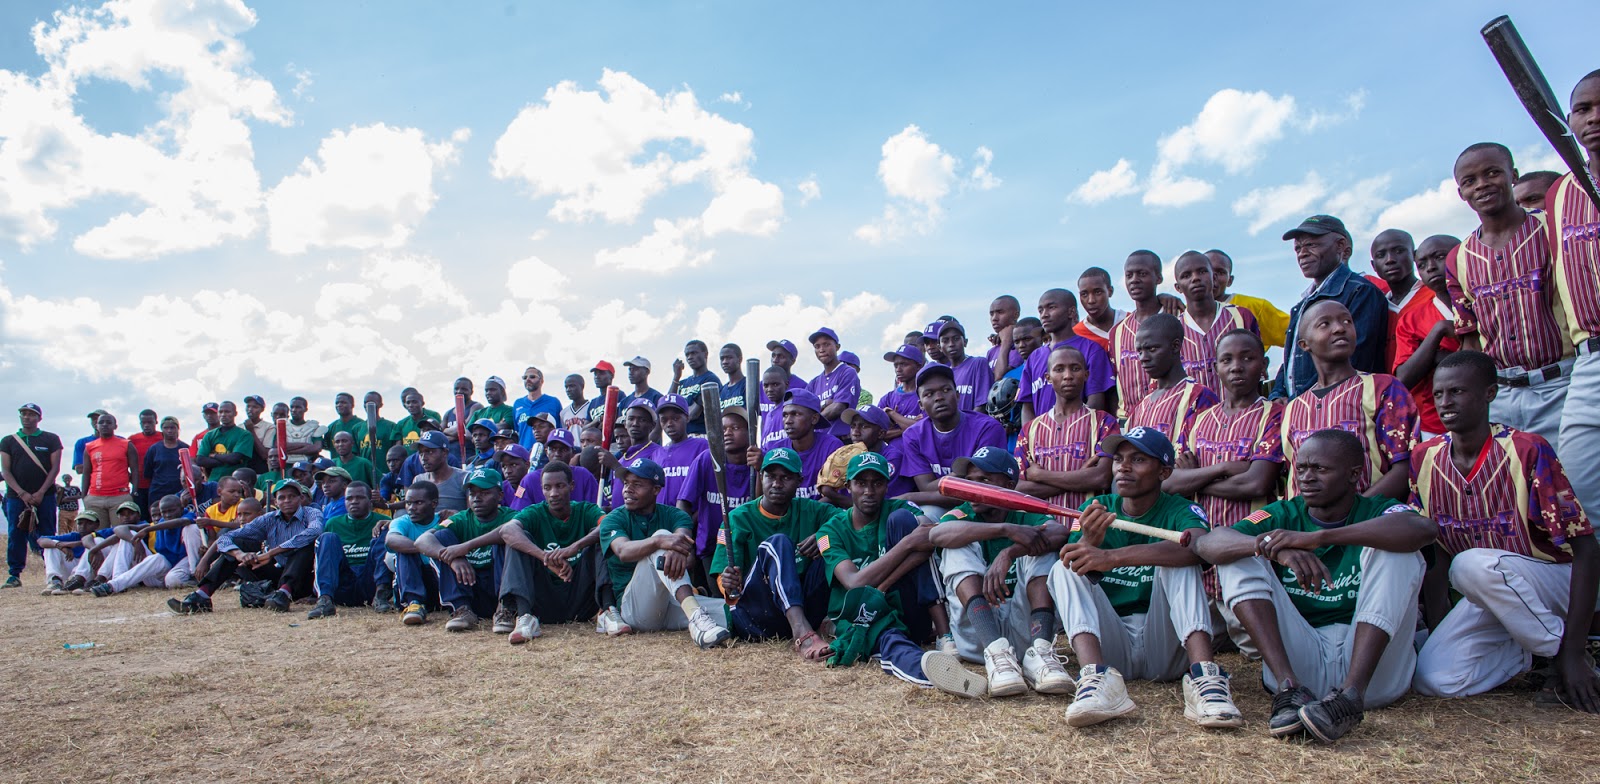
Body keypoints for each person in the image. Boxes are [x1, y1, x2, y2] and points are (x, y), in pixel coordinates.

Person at [1193, 430, 1435, 743]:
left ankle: (1350, 698)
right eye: (1302, 468)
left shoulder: (1376, 509)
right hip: (1302, 665)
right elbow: (1209, 543)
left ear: (1354, 474)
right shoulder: (1286, 513)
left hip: (1372, 672)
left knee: (1398, 549)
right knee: (1238, 554)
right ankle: (1286, 689)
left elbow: (1422, 529)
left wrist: (1318, 538)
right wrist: (1273, 549)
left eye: (1320, 469)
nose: (1307, 477)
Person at [1410, 351, 1600, 712]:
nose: (1445, 402)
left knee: (1470, 565)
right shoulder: (1424, 458)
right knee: (1434, 678)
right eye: (1438, 394)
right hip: (1496, 592)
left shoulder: (1527, 450)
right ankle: (1535, 654)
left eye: (1457, 392)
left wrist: (1576, 650)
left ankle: (1565, 655)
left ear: (1490, 393)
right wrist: (1441, 632)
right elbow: (1437, 555)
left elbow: (1587, 550)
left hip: (1552, 581)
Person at [1041, 428, 1241, 728]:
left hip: (1167, 645)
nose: (1123, 467)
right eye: (1118, 459)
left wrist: (1113, 557)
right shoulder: (1095, 509)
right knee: (1064, 568)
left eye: (1138, 459)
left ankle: (1205, 678)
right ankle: (1095, 678)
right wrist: (1089, 543)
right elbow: (1074, 558)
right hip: (1112, 645)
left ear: (1164, 472)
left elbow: (1198, 548)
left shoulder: (1181, 509)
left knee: (1180, 556)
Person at [1446, 143, 1571, 449]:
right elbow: (1470, 339)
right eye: (1470, 181)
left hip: (1563, 384)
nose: (1482, 185)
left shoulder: (1555, 227)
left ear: (1513, 175)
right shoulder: (1458, 258)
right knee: (1513, 478)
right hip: (1500, 395)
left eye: (1492, 173)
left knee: (1575, 475)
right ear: (1461, 193)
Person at [923, 448, 1075, 698]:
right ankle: (997, 653)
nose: (973, 488)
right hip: (978, 638)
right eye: (969, 480)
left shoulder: (1025, 513)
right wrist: (1005, 530)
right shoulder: (963, 512)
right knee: (955, 546)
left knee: (1042, 547)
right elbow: (936, 534)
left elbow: (1060, 532)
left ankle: (1042, 652)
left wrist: (1010, 552)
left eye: (984, 480)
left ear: (1009, 485)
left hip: (1023, 629)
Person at [817, 453, 962, 686]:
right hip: (864, 614)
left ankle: (945, 635)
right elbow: (854, 583)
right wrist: (906, 544)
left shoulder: (899, 509)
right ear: (848, 486)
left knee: (903, 520)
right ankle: (931, 674)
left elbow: (927, 539)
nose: (869, 491)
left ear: (887, 485)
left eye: (877, 483)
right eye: (861, 483)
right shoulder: (829, 531)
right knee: (890, 638)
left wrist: (883, 585)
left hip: (906, 607)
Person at [1280, 301, 1417, 501]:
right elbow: (1292, 477)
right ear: (1304, 344)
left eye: (1347, 321)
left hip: (1371, 518)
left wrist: (1356, 514)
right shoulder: (1292, 409)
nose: (1339, 328)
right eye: (1325, 324)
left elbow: (1404, 467)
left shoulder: (1383, 389)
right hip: (1306, 521)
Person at [710, 448, 836, 660]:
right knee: (777, 543)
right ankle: (802, 633)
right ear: (761, 477)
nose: (777, 483)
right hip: (756, 617)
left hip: (804, 610)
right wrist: (728, 584)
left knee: (832, 542)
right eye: (770, 476)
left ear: (799, 481)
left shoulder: (812, 510)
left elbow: (849, 521)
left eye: (785, 477)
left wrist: (822, 536)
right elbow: (725, 577)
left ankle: (836, 619)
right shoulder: (738, 518)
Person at [1165, 331, 1284, 549]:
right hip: (1197, 542)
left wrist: (1195, 480)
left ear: (1264, 365)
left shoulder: (1276, 415)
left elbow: (1256, 484)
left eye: (1247, 358)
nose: (1236, 367)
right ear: (1216, 367)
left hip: (1252, 545)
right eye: (1226, 360)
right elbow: (1169, 483)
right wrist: (1224, 468)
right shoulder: (1198, 419)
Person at [598, 457, 731, 646]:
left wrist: (676, 548)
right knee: (662, 537)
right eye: (626, 483)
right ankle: (696, 618)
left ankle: (697, 617)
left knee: (735, 611)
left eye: (637, 484)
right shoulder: (614, 518)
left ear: (656, 490)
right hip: (635, 610)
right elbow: (623, 551)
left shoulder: (675, 515)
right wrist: (659, 541)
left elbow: (684, 547)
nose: (628, 489)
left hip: (672, 603)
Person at [1270, 215, 1389, 400]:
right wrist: (1278, 395)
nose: (1302, 254)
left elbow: (1353, 361)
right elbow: (1291, 359)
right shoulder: (1301, 305)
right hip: (1305, 408)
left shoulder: (1360, 292)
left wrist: (1299, 401)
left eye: (1311, 245)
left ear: (1340, 245)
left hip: (1344, 405)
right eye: (1298, 248)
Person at [1552, 69, 1600, 517]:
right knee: (1579, 492)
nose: (1593, 118)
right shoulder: (1560, 194)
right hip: (1590, 354)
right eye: (1583, 109)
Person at [168, 479, 325, 615]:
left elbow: (314, 532)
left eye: (292, 496)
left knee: (304, 544)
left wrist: (270, 553)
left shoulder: (311, 513)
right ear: (275, 502)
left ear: (301, 498)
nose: (287, 501)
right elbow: (226, 538)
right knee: (239, 542)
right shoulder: (269, 519)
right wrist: (239, 554)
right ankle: (203, 595)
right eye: (282, 497)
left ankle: (285, 593)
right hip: (278, 574)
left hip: (305, 578)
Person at [499, 461, 604, 644]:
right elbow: (506, 530)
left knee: (602, 538)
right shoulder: (535, 512)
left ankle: (608, 611)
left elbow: (609, 524)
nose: (553, 493)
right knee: (517, 540)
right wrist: (545, 558)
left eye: (560, 486)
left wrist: (575, 546)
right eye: (547, 488)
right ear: (542, 490)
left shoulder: (585, 510)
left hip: (581, 600)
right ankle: (524, 618)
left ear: (571, 486)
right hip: (542, 602)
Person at [1015, 345, 1117, 512]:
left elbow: (1101, 478)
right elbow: (1019, 488)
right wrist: (1081, 478)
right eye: (1059, 369)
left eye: (1075, 368)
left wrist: (1041, 476)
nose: (1068, 376)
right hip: (1041, 525)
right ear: (1048, 377)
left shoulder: (1104, 422)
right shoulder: (1029, 430)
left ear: (1086, 375)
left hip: (1087, 523)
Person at [414, 467, 514, 632]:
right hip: (470, 584)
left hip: (499, 585)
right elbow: (422, 541)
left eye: (484, 493)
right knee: (442, 537)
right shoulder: (461, 518)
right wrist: (452, 558)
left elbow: (508, 531)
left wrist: (465, 547)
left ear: (500, 496)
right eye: (472, 494)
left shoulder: (510, 516)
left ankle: (505, 609)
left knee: (508, 538)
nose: (477, 498)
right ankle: (462, 609)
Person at [897, 364, 1006, 516]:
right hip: (940, 505)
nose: (939, 398)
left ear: (957, 395)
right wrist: (959, 475)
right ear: (921, 404)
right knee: (914, 515)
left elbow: (979, 488)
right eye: (929, 394)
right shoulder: (913, 435)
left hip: (986, 508)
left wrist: (908, 497)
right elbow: (926, 487)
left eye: (946, 390)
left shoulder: (987, 428)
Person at [1392, 234, 1462, 439]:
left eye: (1439, 257)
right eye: (1421, 264)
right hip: (1436, 424)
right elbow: (1403, 378)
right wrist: (1438, 331)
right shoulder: (1411, 319)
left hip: (1496, 409)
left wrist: (1438, 358)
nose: (1430, 267)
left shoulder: (1485, 302)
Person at [1019, 289, 1115, 430]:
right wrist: (1032, 434)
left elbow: (1096, 400)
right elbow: (1027, 405)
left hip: (1079, 434)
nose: (1044, 314)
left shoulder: (1091, 349)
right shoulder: (1034, 357)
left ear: (1071, 312)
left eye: (1051, 307)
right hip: (1042, 437)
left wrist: (1071, 431)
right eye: (1040, 310)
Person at [678, 407, 755, 571]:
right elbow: (683, 503)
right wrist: (685, 546)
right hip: (710, 548)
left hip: (749, 546)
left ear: (750, 432)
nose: (727, 433)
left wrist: (760, 468)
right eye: (723, 429)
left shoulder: (759, 460)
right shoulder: (706, 459)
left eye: (735, 428)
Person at [1124, 314, 1218, 446]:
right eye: (1140, 351)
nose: (1143, 358)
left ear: (1175, 346)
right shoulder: (1141, 405)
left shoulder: (1200, 397)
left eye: (1152, 349)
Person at [1173, 251, 1259, 394]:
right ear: (1178, 287)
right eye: (1186, 275)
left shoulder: (1241, 316)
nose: (1195, 278)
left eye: (1202, 272)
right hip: (1192, 409)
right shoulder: (1173, 328)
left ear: (1213, 277)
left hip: (1240, 407)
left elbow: (1257, 367)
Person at [87, 495, 204, 596]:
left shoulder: (189, 516)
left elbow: (182, 522)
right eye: (164, 512)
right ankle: (115, 584)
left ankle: (194, 576)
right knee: (145, 548)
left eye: (171, 511)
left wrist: (148, 529)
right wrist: (135, 542)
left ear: (181, 508)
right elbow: (120, 530)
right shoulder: (159, 522)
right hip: (161, 569)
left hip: (184, 564)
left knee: (191, 528)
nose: (167, 515)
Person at [306, 481, 391, 619]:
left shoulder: (383, 520)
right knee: (327, 537)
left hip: (371, 581)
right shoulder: (333, 523)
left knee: (386, 530)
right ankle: (325, 600)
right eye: (349, 498)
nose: (354, 502)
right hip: (342, 583)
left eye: (360, 497)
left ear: (370, 501)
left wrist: (391, 524)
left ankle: (381, 595)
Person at [3, 403, 62, 588]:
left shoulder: (51, 439)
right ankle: (14, 574)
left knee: (48, 532)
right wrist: (22, 493)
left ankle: (53, 572)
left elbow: (55, 468)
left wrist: (41, 492)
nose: (27, 417)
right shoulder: (8, 441)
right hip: (16, 496)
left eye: (31, 414)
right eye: (24, 414)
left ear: (39, 418)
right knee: (16, 533)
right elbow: (5, 470)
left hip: (45, 495)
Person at [1111, 251, 1169, 417]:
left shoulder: (1176, 320)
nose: (1134, 280)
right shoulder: (1118, 331)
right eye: (1129, 275)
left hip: (1168, 418)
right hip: (1130, 421)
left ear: (1159, 278)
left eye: (1142, 274)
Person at [818, 404, 913, 506]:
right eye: (853, 426)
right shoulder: (851, 455)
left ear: (880, 433)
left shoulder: (891, 458)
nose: (855, 432)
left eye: (864, 426)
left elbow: (876, 504)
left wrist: (831, 494)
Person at [767, 389, 845, 502]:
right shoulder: (777, 449)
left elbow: (834, 496)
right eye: (785, 415)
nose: (788, 421)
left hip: (822, 512)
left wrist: (805, 512)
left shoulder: (832, 446)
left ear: (814, 419)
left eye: (795, 414)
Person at [385, 480, 446, 623]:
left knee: (443, 537)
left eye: (418, 503)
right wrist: (428, 548)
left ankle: (456, 603)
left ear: (434, 504)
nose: (411, 508)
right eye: (408, 503)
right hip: (411, 580)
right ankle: (414, 604)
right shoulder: (402, 521)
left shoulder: (444, 520)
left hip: (440, 582)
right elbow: (391, 540)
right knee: (403, 549)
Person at [1208, 249, 1292, 351]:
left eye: (1220, 272)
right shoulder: (1189, 315)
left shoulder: (1255, 307)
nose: (1213, 277)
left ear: (1230, 280)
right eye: (1206, 271)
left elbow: (1298, 335)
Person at [82, 412, 138, 528]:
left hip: (120, 497)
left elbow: (135, 470)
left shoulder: (126, 445)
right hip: (95, 498)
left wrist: (134, 491)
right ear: (96, 426)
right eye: (101, 422)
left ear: (115, 426)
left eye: (108, 422)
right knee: (98, 534)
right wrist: (84, 496)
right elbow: (86, 472)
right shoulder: (90, 447)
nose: (104, 425)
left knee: (121, 531)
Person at [604, 399, 665, 504]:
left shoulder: (658, 453)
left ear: (652, 425)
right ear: (625, 424)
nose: (635, 424)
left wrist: (616, 467)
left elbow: (647, 491)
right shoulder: (622, 458)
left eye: (642, 420)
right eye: (631, 419)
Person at [654, 394, 709, 509]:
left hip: (691, 517)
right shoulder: (657, 453)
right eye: (664, 420)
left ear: (687, 417)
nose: (669, 424)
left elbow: (710, 488)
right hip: (660, 518)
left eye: (675, 418)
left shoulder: (702, 446)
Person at [807, 327, 861, 440]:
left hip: (841, 439)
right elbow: (806, 411)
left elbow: (838, 408)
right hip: (817, 440)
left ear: (837, 347)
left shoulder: (847, 372)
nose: (821, 349)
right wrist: (825, 403)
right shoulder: (814, 383)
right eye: (817, 346)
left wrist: (810, 422)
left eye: (826, 344)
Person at [36, 510, 106, 595]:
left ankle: (79, 580)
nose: (83, 527)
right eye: (80, 523)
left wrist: (76, 544)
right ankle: (55, 581)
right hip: (70, 570)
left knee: (96, 542)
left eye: (89, 524)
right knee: (52, 545)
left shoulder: (101, 535)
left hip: (89, 572)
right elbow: (41, 540)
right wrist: (60, 546)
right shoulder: (73, 536)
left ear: (97, 525)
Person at [524, 429, 601, 505]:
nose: (557, 454)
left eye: (563, 449)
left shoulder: (583, 475)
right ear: (547, 452)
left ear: (572, 453)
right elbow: (521, 510)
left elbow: (598, 507)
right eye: (553, 449)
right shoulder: (531, 479)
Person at [936, 319, 993, 412]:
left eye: (956, 339)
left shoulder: (978, 363)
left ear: (965, 342)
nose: (951, 344)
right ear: (939, 347)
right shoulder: (944, 375)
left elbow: (982, 405)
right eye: (945, 340)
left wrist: (966, 422)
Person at [671, 340, 721, 436]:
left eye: (694, 353)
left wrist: (675, 417)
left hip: (701, 435)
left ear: (705, 354)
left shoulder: (711, 380)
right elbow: (668, 403)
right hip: (683, 437)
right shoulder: (683, 383)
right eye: (687, 355)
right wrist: (676, 377)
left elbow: (693, 414)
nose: (690, 357)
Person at [195, 402, 252, 483]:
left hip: (235, 481)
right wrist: (228, 460)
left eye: (227, 412)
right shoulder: (209, 435)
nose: (223, 414)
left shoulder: (244, 435)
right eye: (220, 412)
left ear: (235, 413)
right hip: (213, 480)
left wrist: (214, 455)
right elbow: (200, 460)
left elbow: (234, 458)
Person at [413, 431, 467, 516]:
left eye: (429, 452)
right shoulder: (419, 480)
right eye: (420, 453)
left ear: (445, 452)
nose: (424, 458)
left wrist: (458, 516)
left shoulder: (464, 478)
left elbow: (474, 517)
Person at [878, 343, 925, 438]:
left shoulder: (926, 396)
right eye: (896, 365)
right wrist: (908, 426)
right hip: (892, 447)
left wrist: (892, 414)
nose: (898, 369)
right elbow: (877, 434)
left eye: (904, 364)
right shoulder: (888, 398)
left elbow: (923, 430)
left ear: (918, 366)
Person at [1074, 267, 1124, 354]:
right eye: (1084, 294)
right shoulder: (1076, 335)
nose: (1091, 300)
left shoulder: (1132, 322)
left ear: (1110, 291)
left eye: (1098, 292)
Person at [141, 416, 188, 508]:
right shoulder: (154, 449)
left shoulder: (185, 449)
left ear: (178, 429)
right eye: (166, 428)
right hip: (158, 492)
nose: (169, 431)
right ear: (161, 430)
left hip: (180, 492)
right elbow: (147, 473)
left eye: (172, 427)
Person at [513, 367, 563, 451]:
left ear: (541, 381)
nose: (528, 379)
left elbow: (559, 429)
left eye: (532, 377)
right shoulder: (518, 404)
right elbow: (517, 430)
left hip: (548, 452)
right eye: (525, 377)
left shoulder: (553, 402)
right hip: (524, 454)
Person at [442, 378, 485, 463]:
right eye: (456, 388)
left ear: (471, 391)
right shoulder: (448, 413)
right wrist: (458, 434)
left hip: (468, 455)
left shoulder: (476, 407)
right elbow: (441, 434)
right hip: (450, 457)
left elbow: (464, 429)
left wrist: (446, 431)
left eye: (464, 389)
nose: (459, 391)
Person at [128, 409, 162, 517]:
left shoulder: (163, 437)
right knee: (142, 516)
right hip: (140, 486)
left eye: (150, 422)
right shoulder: (132, 440)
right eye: (143, 422)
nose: (146, 425)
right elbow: (122, 462)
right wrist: (130, 478)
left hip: (159, 485)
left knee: (158, 515)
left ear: (156, 422)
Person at [987, 295, 1024, 381]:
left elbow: (1000, 377)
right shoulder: (991, 352)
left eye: (1000, 312)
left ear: (1016, 315)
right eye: (991, 314)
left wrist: (1006, 342)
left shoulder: (1021, 346)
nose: (994, 318)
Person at [322, 393, 367, 458]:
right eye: (337, 403)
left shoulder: (362, 425)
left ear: (352, 405)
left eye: (343, 402)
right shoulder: (331, 427)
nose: (339, 405)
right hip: (336, 463)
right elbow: (326, 447)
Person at [394, 389, 439, 453]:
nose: (411, 405)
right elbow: (398, 446)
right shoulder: (402, 423)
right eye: (408, 403)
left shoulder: (430, 421)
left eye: (414, 402)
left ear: (422, 403)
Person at [717, 344, 748, 410]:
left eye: (729, 358)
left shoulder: (748, 385)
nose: (725, 362)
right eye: (722, 359)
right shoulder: (722, 391)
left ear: (739, 359)